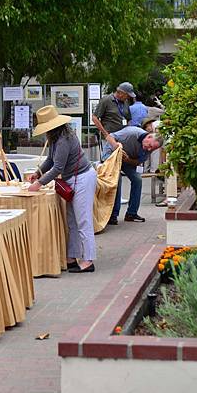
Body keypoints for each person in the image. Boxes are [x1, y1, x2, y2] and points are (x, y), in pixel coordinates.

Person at [28, 105, 97, 273]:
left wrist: (39, 183)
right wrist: (38, 173)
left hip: (82, 178)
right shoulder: (58, 137)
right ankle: (72, 257)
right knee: (72, 221)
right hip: (74, 179)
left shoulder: (63, 140)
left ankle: (88, 260)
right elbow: (50, 160)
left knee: (83, 221)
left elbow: (58, 167)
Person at [102, 127, 163, 225]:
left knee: (137, 179)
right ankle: (113, 215)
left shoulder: (149, 148)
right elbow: (110, 137)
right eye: (149, 145)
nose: (149, 149)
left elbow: (137, 162)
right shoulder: (132, 133)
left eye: (152, 149)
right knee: (117, 179)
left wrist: (126, 160)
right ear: (149, 136)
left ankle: (131, 213)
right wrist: (117, 148)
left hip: (127, 160)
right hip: (111, 154)